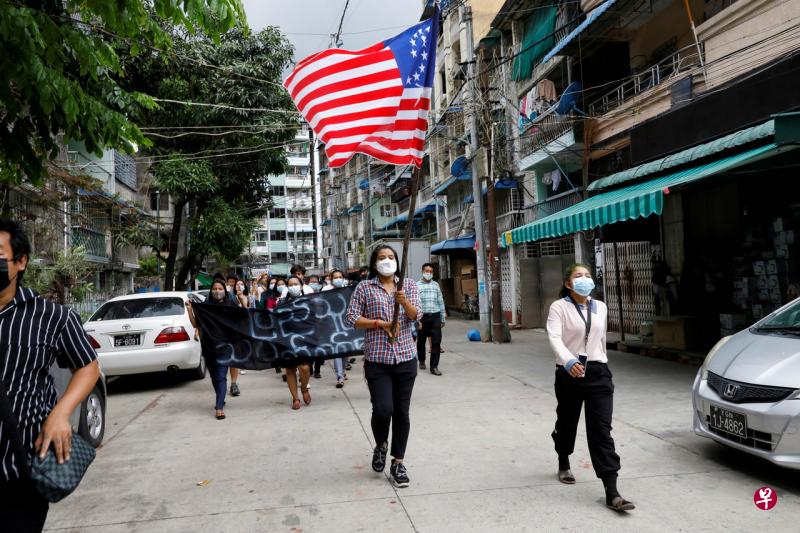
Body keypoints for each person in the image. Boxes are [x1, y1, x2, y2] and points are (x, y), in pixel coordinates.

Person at [0, 219, 100, 531]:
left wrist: (61, 412)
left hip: (18, 477)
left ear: (20, 262)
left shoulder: (52, 317)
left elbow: (88, 366)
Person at [547, 263, 634, 512]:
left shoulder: (601, 307)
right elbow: (553, 336)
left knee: (601, 431)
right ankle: (564, 460)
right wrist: (569, 360)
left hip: (597, 373)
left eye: (587, 275)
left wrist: (602, 364)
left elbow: (600, 339)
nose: (584, 279)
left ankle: (612, 492)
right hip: (569, 372)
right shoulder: (559, 307)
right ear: (568, 283)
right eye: (578, 276)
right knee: (567, 423)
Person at [345, 245, 421, 488]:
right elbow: (352, 319)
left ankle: (398, 462)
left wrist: (405, 302)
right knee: (383, 409)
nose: (386, 261)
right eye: (381, 258)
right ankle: (380, 444)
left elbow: (416, 315)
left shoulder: (407, 285)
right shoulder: (364, 287)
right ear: (374, 263)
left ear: (397, 261)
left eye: (390, 257)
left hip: (406, 359)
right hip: (378, 360)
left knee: (402, 413)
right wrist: (380, 323)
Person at [185, 280, 234, 420]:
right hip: (209, 346)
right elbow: (196, 324)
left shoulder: (230, 306)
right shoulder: (205, 307)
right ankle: (221, 397)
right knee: (214, 377)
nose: (217, 291)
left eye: (220, 288)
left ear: (224, 290)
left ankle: (219, 408)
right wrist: (189, 309)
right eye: (215, 288)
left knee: (221, 376)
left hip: (225, 346)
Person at [279, 276, 312, 409]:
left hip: (306, 340)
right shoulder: (282, 303)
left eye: (295, 284)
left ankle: (304, 388)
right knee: (290, 369)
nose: (293, 286)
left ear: (301, 285)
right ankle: (295, 398)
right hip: (286, 340)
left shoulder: (309, 301)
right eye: (290, 285)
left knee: (304, 368)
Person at [416, 263, 446, 376]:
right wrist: (416, 319)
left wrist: (443, 317)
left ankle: (434, 366)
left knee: (436, 341)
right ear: (422, 271)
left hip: (435, 316)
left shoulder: (436, 285)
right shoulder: (416, 285)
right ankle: (422, 360)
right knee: (421, 341)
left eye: (431, 271)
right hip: (422, 317)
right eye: (426, 271)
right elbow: (414, 303)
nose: (428, 273)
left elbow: (440, 301)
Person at [323, 269, 349, 387]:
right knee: (337, 351)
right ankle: (339, 376)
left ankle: (342, 372)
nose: (338, 279)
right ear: (331, 278)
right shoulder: (325, 290)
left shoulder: (348, 289)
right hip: (332, 324)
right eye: (335, 277)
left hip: (347, 324)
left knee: (346, 351)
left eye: (340, 277)